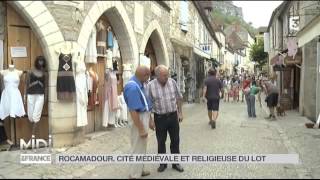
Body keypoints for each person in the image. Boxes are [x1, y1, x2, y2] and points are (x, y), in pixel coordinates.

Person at [147, 65, 184, 173]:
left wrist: (180, 112)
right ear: (157, 75)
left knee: (175, 140)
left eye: (167, 74)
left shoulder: (172, 82)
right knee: (161, 141)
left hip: (173, 116)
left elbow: (178, 97)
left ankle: (176, 163)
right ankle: (163, 163)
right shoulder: (150, 86)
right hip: (159, 118)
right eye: (164, 75)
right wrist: (150, 120)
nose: (166, 77)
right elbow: (148, 104)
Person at [123, 66, 153, 179]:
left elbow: (146, 104)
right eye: (148, 76)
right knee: (137, 147)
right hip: (138, 118)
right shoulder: (132, 87)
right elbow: (133, 110)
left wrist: (150, 120)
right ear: (144, 75)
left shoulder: (140, 84)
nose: (149, 78)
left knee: (142, 146)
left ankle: (139, 170)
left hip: (143, 116)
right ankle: (134, 175)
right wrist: (141, 128)